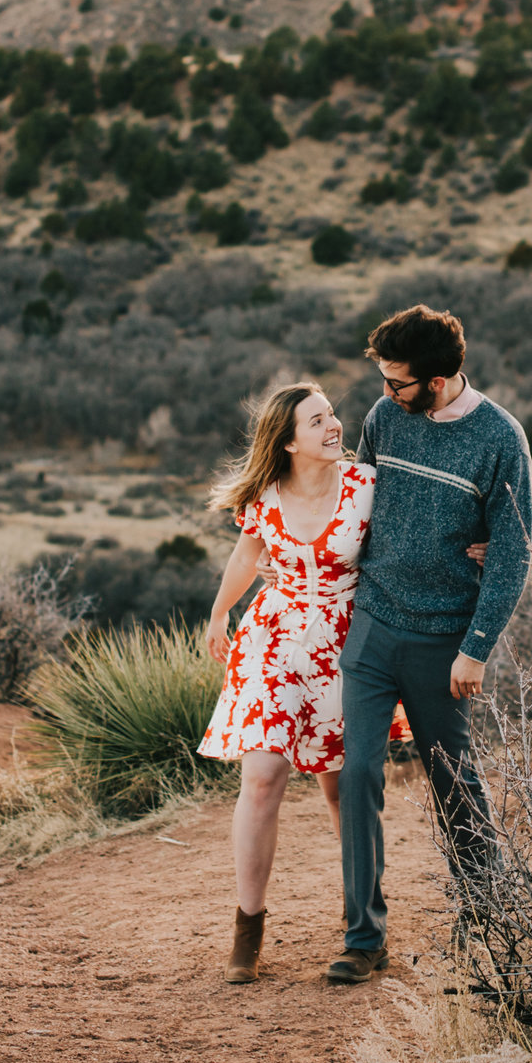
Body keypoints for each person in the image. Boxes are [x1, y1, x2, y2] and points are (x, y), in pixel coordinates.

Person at [328, 303, 532, 986]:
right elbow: (353, 507)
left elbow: (510, 553)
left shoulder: (501, 439)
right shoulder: (384, 420)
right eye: (383, 380)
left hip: (443, 642)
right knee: (357, 774)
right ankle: (364, 937)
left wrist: (475, 647)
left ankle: (492, 923)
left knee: (455, 783)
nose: (384, 394)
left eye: (398, 382)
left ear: (440, 380)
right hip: (373, 626)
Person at [195, 382, 409, 984]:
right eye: (318, 421)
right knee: (261, 779)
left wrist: (475, 549)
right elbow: (245, 557)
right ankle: (248, 928)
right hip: (275, 638)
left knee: (344, 787)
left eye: (332, 415)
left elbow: (411, 537)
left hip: (347, 644)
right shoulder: (265, 495)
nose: (335, 426)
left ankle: (363, 925)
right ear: (289, 441)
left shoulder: (367, 485)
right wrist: (218, 614)